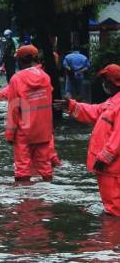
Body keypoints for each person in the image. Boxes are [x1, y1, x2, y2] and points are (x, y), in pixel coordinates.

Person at [54, 64, 120, 216]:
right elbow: (93, 111)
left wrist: (105, 156)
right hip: (109, 168)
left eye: (105, 80)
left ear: (112, 82)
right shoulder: (112, 102)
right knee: (112, 208)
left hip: (112, 167)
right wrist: (71, 106)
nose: (104, 84)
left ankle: (112, 237)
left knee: (114, 210)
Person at [1, 45, 54, 182]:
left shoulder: (16, 79)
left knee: (22, 171)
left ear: (20, 60)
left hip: (24, 132)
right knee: (45, 170)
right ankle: (48, 201)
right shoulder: (45, 77)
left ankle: (25, 201)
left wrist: (9, 135)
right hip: (43, 132)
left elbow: (13, 108)